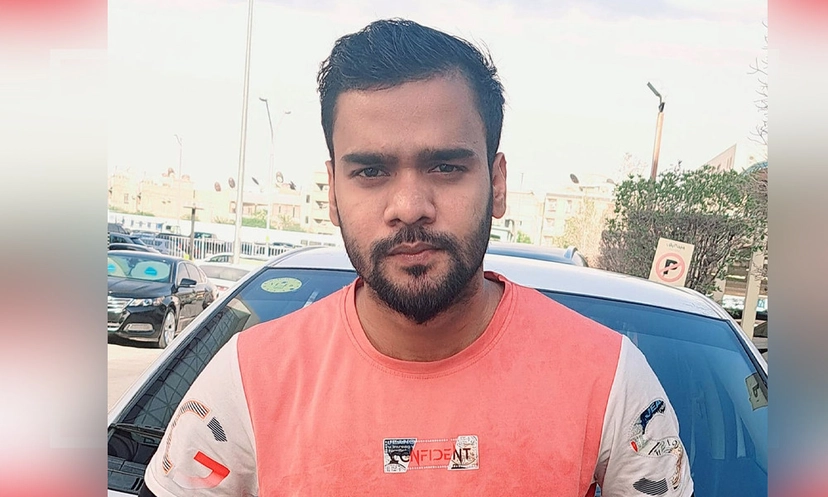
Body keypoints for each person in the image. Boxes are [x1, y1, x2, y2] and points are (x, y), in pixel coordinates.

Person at [141, 18, 693, 497]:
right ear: (332, 192)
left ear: (498, 184)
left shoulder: (610, 379)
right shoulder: (245, 381)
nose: (409, 207)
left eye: (445, 167)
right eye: (371, 171)